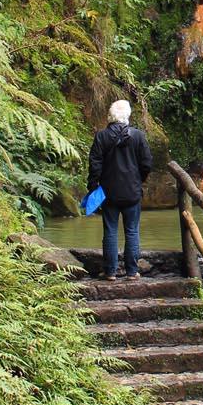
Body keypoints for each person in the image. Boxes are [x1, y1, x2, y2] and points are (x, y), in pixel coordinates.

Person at [88, 100, 152, 280]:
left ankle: (110, 272)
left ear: (111, 115)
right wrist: (139, 180)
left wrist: (93, 187)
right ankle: (132, 272)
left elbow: (95, 165)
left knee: (110, 230)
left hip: (109, 192)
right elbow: (147, 163)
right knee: (132, 231)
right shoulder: (138, 136)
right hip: (132, 191)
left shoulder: (101, 136)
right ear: (127, 115)